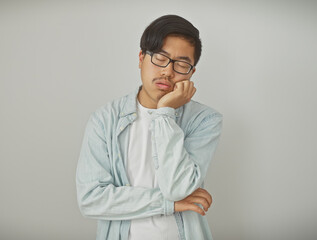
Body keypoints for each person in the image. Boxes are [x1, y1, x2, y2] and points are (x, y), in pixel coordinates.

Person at [76, 14, 223, 240]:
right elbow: (91, 200)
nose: (167, 71)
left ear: (191, 73)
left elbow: (178, 188)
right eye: (160, 58)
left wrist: (164, 113)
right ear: (141, 58)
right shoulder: (104, 120)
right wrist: (169, 204)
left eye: (181, 64)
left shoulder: (204, 120)